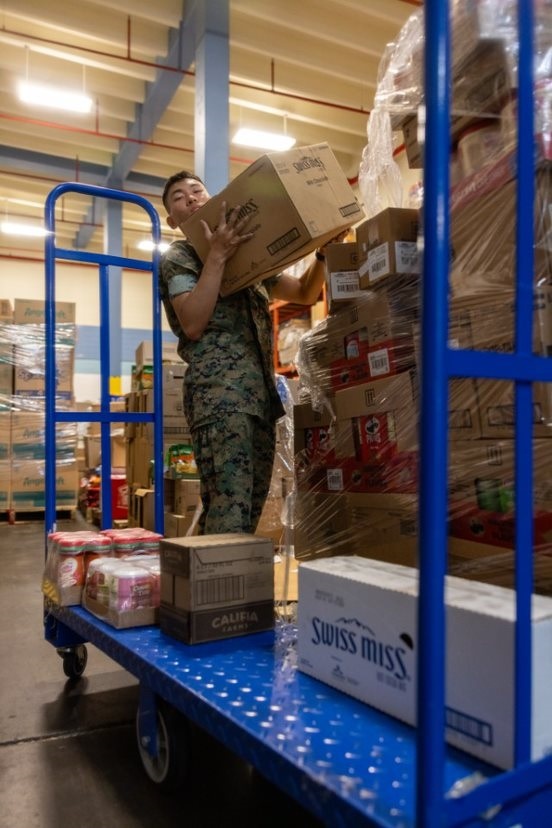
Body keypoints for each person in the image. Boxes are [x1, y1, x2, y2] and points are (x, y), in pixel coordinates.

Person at [159, 169, 346, 535]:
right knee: (229, 511)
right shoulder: (180, 256)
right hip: (220, 396)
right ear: (173, 219)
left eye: (197, 190)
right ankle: (221, 590)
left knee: (247, 511)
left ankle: (215, 585)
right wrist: (216, 256)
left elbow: (305, 293)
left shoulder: (247, 255)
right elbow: (193, 322)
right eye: (180, 197)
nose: (192, 198)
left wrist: (323, 255)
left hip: (259, 398)